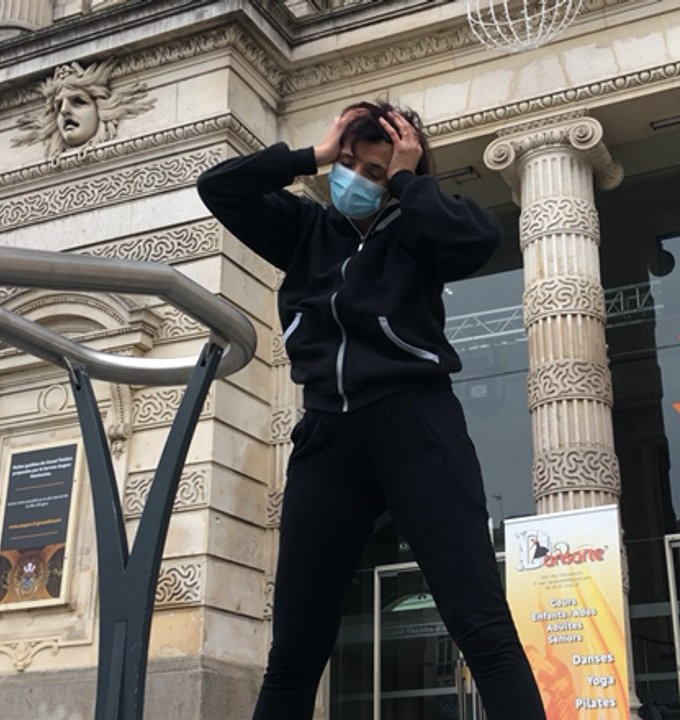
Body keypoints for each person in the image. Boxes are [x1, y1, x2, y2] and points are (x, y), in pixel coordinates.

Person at [196, 101, 547, 720]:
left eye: (373, 171)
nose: (354, 179)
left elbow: (480, 238)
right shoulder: (305, 230)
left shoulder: (420, 233)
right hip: (327, 435)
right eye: (349, 164)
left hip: (415, 423)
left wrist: (410, 182)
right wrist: (314, 155)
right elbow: (218, 187)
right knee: (295, 651)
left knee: (482, 626)